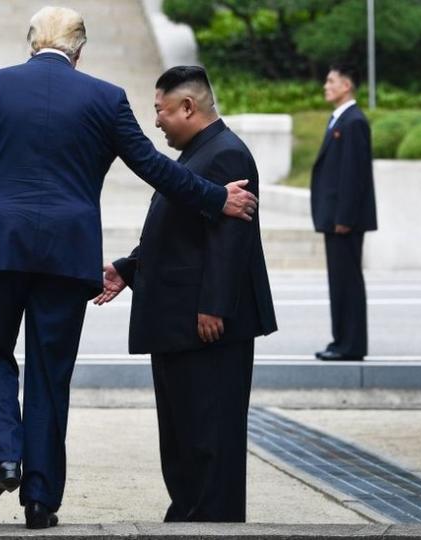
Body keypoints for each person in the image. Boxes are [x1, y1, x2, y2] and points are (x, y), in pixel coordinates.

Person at [0, 7, 259, 529]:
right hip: (67, 256)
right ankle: (40, 500)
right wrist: (215, 197)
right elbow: (153, 166)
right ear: (79, 52)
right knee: (49, 372)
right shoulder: (104, 98)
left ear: (31, 43)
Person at [98, 66, 277, 522]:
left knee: (209, 432)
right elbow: (177, 231)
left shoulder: (226, 155)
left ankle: (210, 520)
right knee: (183, 430)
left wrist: (213, 306)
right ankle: (189, 513)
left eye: (159, 110)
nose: (156, 120)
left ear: (187, 107)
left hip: (206, 323)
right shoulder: (199, 154)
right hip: (180, 321)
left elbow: (230, 239)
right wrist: (127, 268)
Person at [310, 64, 378, 362]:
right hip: (335, 218)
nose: (326, 85)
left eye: (331, 81)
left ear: (347, 85)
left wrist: (344, 218)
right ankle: (341, 341)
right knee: (339, 282)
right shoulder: (340, 119)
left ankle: (350, 345)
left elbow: (354, 174)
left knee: (347, 282)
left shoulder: (353, 122)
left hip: (344, 221)